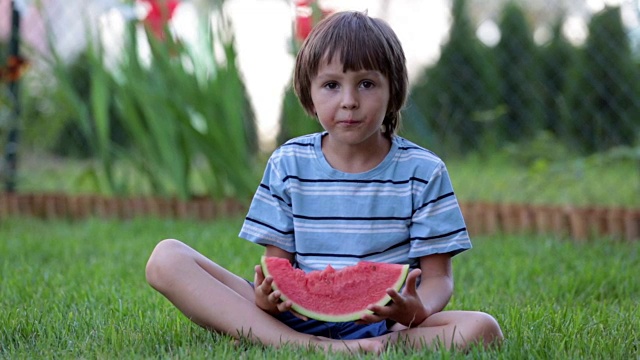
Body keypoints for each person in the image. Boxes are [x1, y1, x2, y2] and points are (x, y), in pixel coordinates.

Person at [145, 10, 503, 354]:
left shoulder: (424, 171)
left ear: (393, 92)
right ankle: (313, 346)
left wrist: (414, 310)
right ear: (309, 95)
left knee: (483, 328)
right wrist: (265, 300)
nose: (349, 101)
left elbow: (439, 278)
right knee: (166, 258)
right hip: (296, 317)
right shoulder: (288, 162)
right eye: (331, 85)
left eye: (366, 84)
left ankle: (322, 343)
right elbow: (277, 269)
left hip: (386, 321)